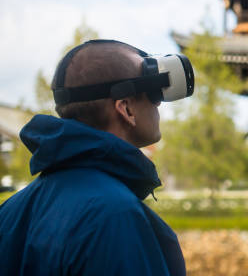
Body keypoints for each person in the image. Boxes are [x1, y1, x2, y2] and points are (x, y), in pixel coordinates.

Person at [0, 40, 191, 276]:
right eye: (153, 93)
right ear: (126, 109)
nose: (159, 103)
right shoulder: (115, 215)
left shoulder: (10, 212)